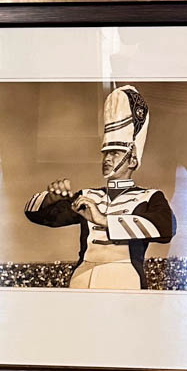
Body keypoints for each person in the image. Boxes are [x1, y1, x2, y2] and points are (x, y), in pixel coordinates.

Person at [24, 85, 175, 289]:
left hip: (126, 281)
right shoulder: (88, 196)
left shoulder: (149, 197)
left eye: (114, 153)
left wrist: (104, 220)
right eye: (105, 153)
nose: (107, 158)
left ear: (132, 160)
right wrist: (51, 197)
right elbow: (38, 216)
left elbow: (167, 228)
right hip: (81, 280)